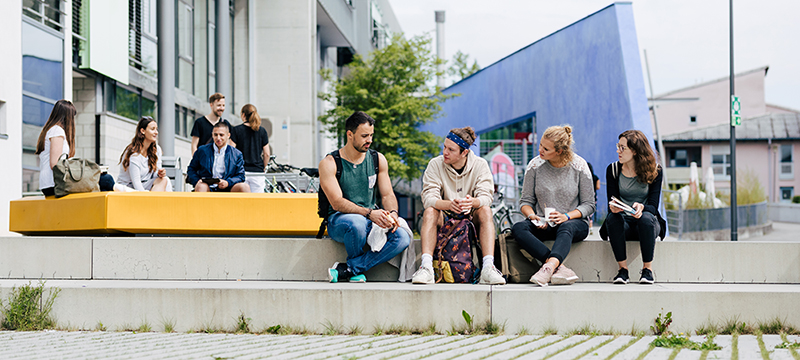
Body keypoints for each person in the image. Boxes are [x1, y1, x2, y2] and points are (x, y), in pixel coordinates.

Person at [319, 111, 410, 283]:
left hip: (370, 218)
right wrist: (369, 214)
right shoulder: (330, 163)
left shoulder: (378, 159)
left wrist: (393, 214)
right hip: (340, 221)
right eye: (364, 136)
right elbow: (337, 203)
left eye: (371, 135)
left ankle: (351, 268)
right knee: (357, 223)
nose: (369, 140)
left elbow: (388, 194)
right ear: (350, 134)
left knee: (402, 237)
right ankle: (355, 268)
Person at [411, 127, 506, 285]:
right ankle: (426, 268)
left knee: (485, 211)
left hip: (470, 218)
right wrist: (449, 204)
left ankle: (488, 268)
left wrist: (472, 202)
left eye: (451, 149)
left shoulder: (480, 165)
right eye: (444, 147)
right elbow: (428, 197)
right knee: (429, 212)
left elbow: (486, 197)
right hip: (445, 216)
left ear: (464, 153)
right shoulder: (435, 164)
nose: (445, 152)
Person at [511, 125, 595, 287]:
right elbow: (525, 202)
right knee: (519, 228)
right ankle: (558, 267)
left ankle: (547, 267)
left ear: (560, 151)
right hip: (544, 223)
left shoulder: (579, 166)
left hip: (574, 223)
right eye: (540, 145)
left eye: (546, 149)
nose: (540, 150)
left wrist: (566, 216)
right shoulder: (535, 165)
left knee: (567, 227)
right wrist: (532, 216)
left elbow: (589, 205)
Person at [600, 130, 666, 285]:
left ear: (635, 151)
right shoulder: (613, 170)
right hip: (624, 225)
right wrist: (614, 207)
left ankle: (647, 270)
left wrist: (642, 207)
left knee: (645, 218)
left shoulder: (655, 170)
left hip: (646, 225)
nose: (618, 151)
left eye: (623, 148)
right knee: (612, 218)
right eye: (618, 146)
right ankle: (623, 270)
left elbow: (653, 206)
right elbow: (613, 200)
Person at [187, 122, 250, 192]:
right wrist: (197, 181)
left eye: (221, 135)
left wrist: (228, 182)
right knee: (201, 186)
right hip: (207, 186)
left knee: (244, 187)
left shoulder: (237, 154)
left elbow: (240, 176)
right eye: (215, 135)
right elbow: (191, 169)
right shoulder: (202, 151)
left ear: (228, 135)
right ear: (212, 135)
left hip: (228, 187)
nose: (218, 138)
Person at [115, 117, 172, 192]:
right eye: (152, 129)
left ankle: (159, 202)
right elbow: (136, 182)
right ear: (143, 131)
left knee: (164, 180)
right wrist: (144, 196)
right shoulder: (134, 153)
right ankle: (150, 202)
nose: (156, 132)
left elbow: (155, 176)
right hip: (129, 187)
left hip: (145, 184)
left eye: (156, 129)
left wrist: (159, 173)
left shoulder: (156, 150)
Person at [35, 100, 76, 196]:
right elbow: (55, 164)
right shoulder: (57, 131)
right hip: (54, 183)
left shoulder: (51, 130)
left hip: (50, 183)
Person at [230, 104, 270, 193]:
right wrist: (264, 167)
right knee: (258, 201)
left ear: (243, 115)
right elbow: (267, 154)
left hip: (241, 171)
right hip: (257, 173)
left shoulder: (236, 130)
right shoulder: (262, 131)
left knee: (242, 201)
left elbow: (231, 152)